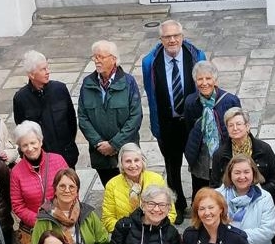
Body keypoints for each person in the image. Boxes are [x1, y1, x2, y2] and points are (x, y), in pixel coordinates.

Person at [141, 19, 207, 222]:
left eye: (175, 36)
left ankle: (198, 206)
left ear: (182, 36)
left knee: (198, 167)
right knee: (172, 167)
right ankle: (177, 206)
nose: (172, 40)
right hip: (167, 122)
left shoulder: (197, 56)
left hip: (192, 123)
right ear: (161, 39)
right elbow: (150, 93)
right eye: (167, 37)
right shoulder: (150, 62)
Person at [77, 40, 142, 186]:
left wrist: (114, 144)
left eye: (101, 57)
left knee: (132, 192)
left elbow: (135, 117)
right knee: (111, 191)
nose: (97, 60)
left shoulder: (128, 83)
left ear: (113, 59)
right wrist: (99, 143)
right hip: (100, 154)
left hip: (126, 152)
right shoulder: (87, 83)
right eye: (95, 57)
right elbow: (82, 117)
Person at [10, 121, 70, 244]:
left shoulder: (58, 160)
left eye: (33, 143)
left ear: (41, 141)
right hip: (37, 229)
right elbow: (17, 205)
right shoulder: (17, 172)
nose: (30, 148)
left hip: (63, 224)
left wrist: (65, 214)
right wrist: (39, 221)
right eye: (25, 145)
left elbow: (72, 189)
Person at [184, 61, 241, 199]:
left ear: (215, 80)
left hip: (224, 157)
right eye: (200, 79)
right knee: (202, 196)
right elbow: (188, 130)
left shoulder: (230, 100)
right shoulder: (191, 102)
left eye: (208, 78)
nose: (204, 83)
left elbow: (239, 127)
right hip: (201, 159)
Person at [209, 108, 275, 211]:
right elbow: (215, 184)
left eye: (239, 124)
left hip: (262, 203)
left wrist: (261, 192)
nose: (235, 128)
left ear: (247, 126)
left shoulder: (263, 149)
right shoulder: (219, 155)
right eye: (230, 125)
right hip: (232, 207)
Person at [12, 51, 79, 167]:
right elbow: (23, 131)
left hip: (66, 156)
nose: (48, 72)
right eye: (43, 69)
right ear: (32, 75)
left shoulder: (60, 89)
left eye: (47, 68)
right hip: (41, 160)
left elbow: (71, 121)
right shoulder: (21, 98)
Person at [102, 143, 176, 232]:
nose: (133, 165)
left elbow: (170, 213)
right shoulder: (112, 185)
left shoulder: (157, 180)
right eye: (128, 161)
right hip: (126, 234)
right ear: (121, 163)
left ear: (142, 161)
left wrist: (154, 229)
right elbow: (108, 218)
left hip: (155, 231)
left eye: (136, 160)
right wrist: (130, 232)